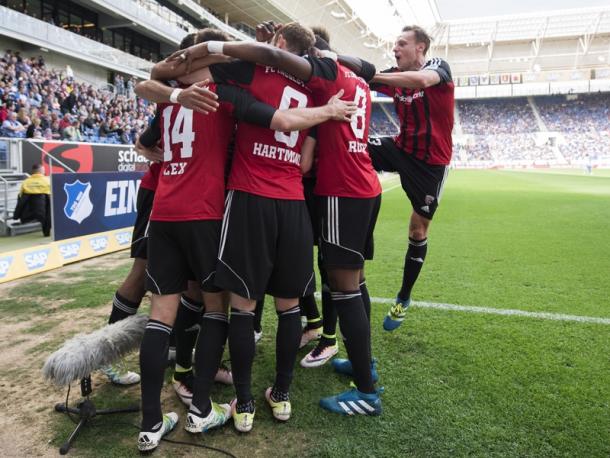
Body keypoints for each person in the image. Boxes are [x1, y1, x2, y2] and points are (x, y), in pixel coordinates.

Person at [136, 27, 356, 450]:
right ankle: (243, 400)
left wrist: (185, 75)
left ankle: (182, 413)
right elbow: (298, 143)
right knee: (260, 305)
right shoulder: (297, 86)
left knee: (189, 310)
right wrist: (328, 110)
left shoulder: (195, 91)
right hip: (254, 206)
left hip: (188, 207)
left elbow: (150, 86)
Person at [185, 22, 383, 415]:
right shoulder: (324, 87)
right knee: (301, 301)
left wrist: (205, 49)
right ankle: (287, 393)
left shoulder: (253, 74)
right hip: (300, 198)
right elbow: (306, 155)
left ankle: (244, 402)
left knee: (241, 303)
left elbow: (194, 72)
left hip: (253, 196)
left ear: (282, 45)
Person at [366, 25, 454, 331]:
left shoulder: (438, 67)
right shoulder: (394, 75)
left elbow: (421, 80)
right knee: (353, 148)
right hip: (400, 148)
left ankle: (404, 297)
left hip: (430, 164)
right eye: (395, 44)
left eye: (402, 44)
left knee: (418, 230)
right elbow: (361, 76)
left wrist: (375, 75)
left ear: (421, 48)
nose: (395, 48)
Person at [13, 163, 51, 236]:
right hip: (44, 210)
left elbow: (20, 198)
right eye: (43, 170)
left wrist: (16, 215)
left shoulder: (25, 182)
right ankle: (46, 232)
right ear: (41, 171)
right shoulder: (48, 181)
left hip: (29, 211)